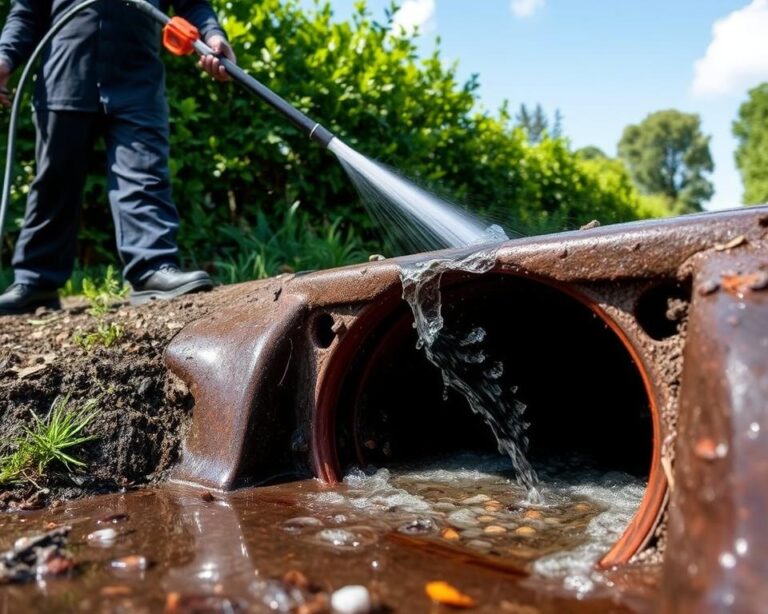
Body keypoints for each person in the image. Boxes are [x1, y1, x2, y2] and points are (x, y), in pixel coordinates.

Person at [0, 0, 236, 315]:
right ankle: (36, 282)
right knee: (54, 182)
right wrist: (4, 56)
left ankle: (153, 267)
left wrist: (213, 34)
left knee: (144, 175)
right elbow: (28, 11)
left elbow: (192, 3)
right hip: (63, 76)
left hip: (137, 81)